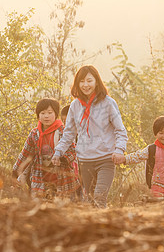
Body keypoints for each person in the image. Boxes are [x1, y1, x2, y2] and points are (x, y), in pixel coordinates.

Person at [52, 65, 128, 208]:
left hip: (106, 159)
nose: (85, 85)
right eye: (81, 81)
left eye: (89, 81)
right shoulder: (74, 106)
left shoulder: (108, 103)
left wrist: (119, 150)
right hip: (85, 161)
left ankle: (105, 229)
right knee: (90, 202)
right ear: (77, 83)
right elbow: (69, 133)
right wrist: (58, 151)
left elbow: (120, 130)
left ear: (96, 82)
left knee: (99, 198)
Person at [12, 98, 80, 199]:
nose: (46, 116)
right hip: (40, 178)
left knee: (62, 208)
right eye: (43, 113)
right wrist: (15, 172)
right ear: (38, 115)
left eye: (50, 112)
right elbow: (25, 154)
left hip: (62, 177)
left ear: (56, 114)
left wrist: (63, 159)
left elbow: (73, 151)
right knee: (41, 209)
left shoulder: (64, 131)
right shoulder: (34, 134)